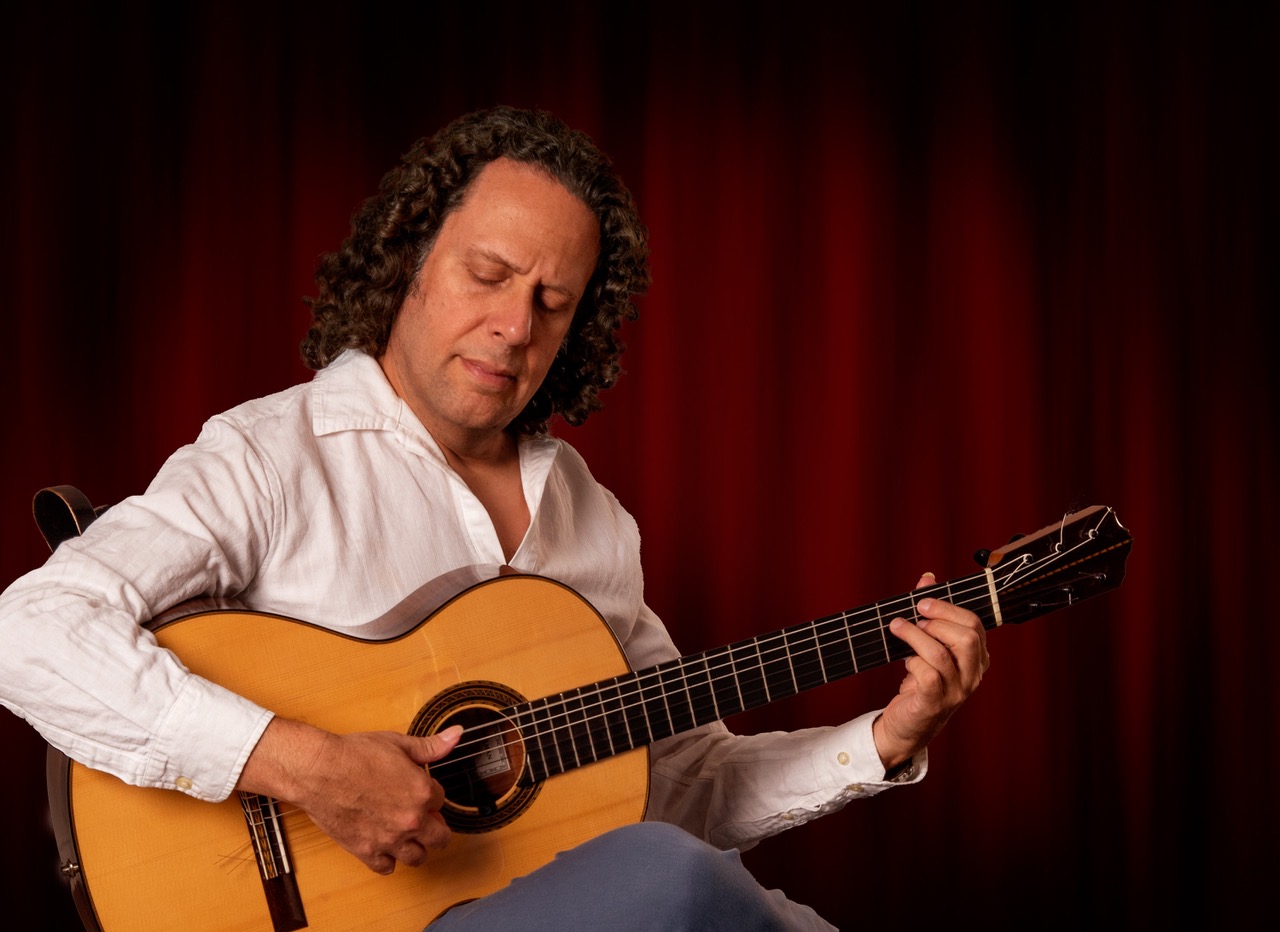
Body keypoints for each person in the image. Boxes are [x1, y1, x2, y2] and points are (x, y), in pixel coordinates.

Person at [0, 106, 988, 930]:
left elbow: (678, 783)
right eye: (488, 275)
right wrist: (305, 765)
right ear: (409, 259)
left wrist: (883, 737)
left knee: (726, 891)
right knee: (672, 877)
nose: (515, 327)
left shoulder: (591, 521)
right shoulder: (270, 456)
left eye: (552, 302)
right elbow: (28, 631)